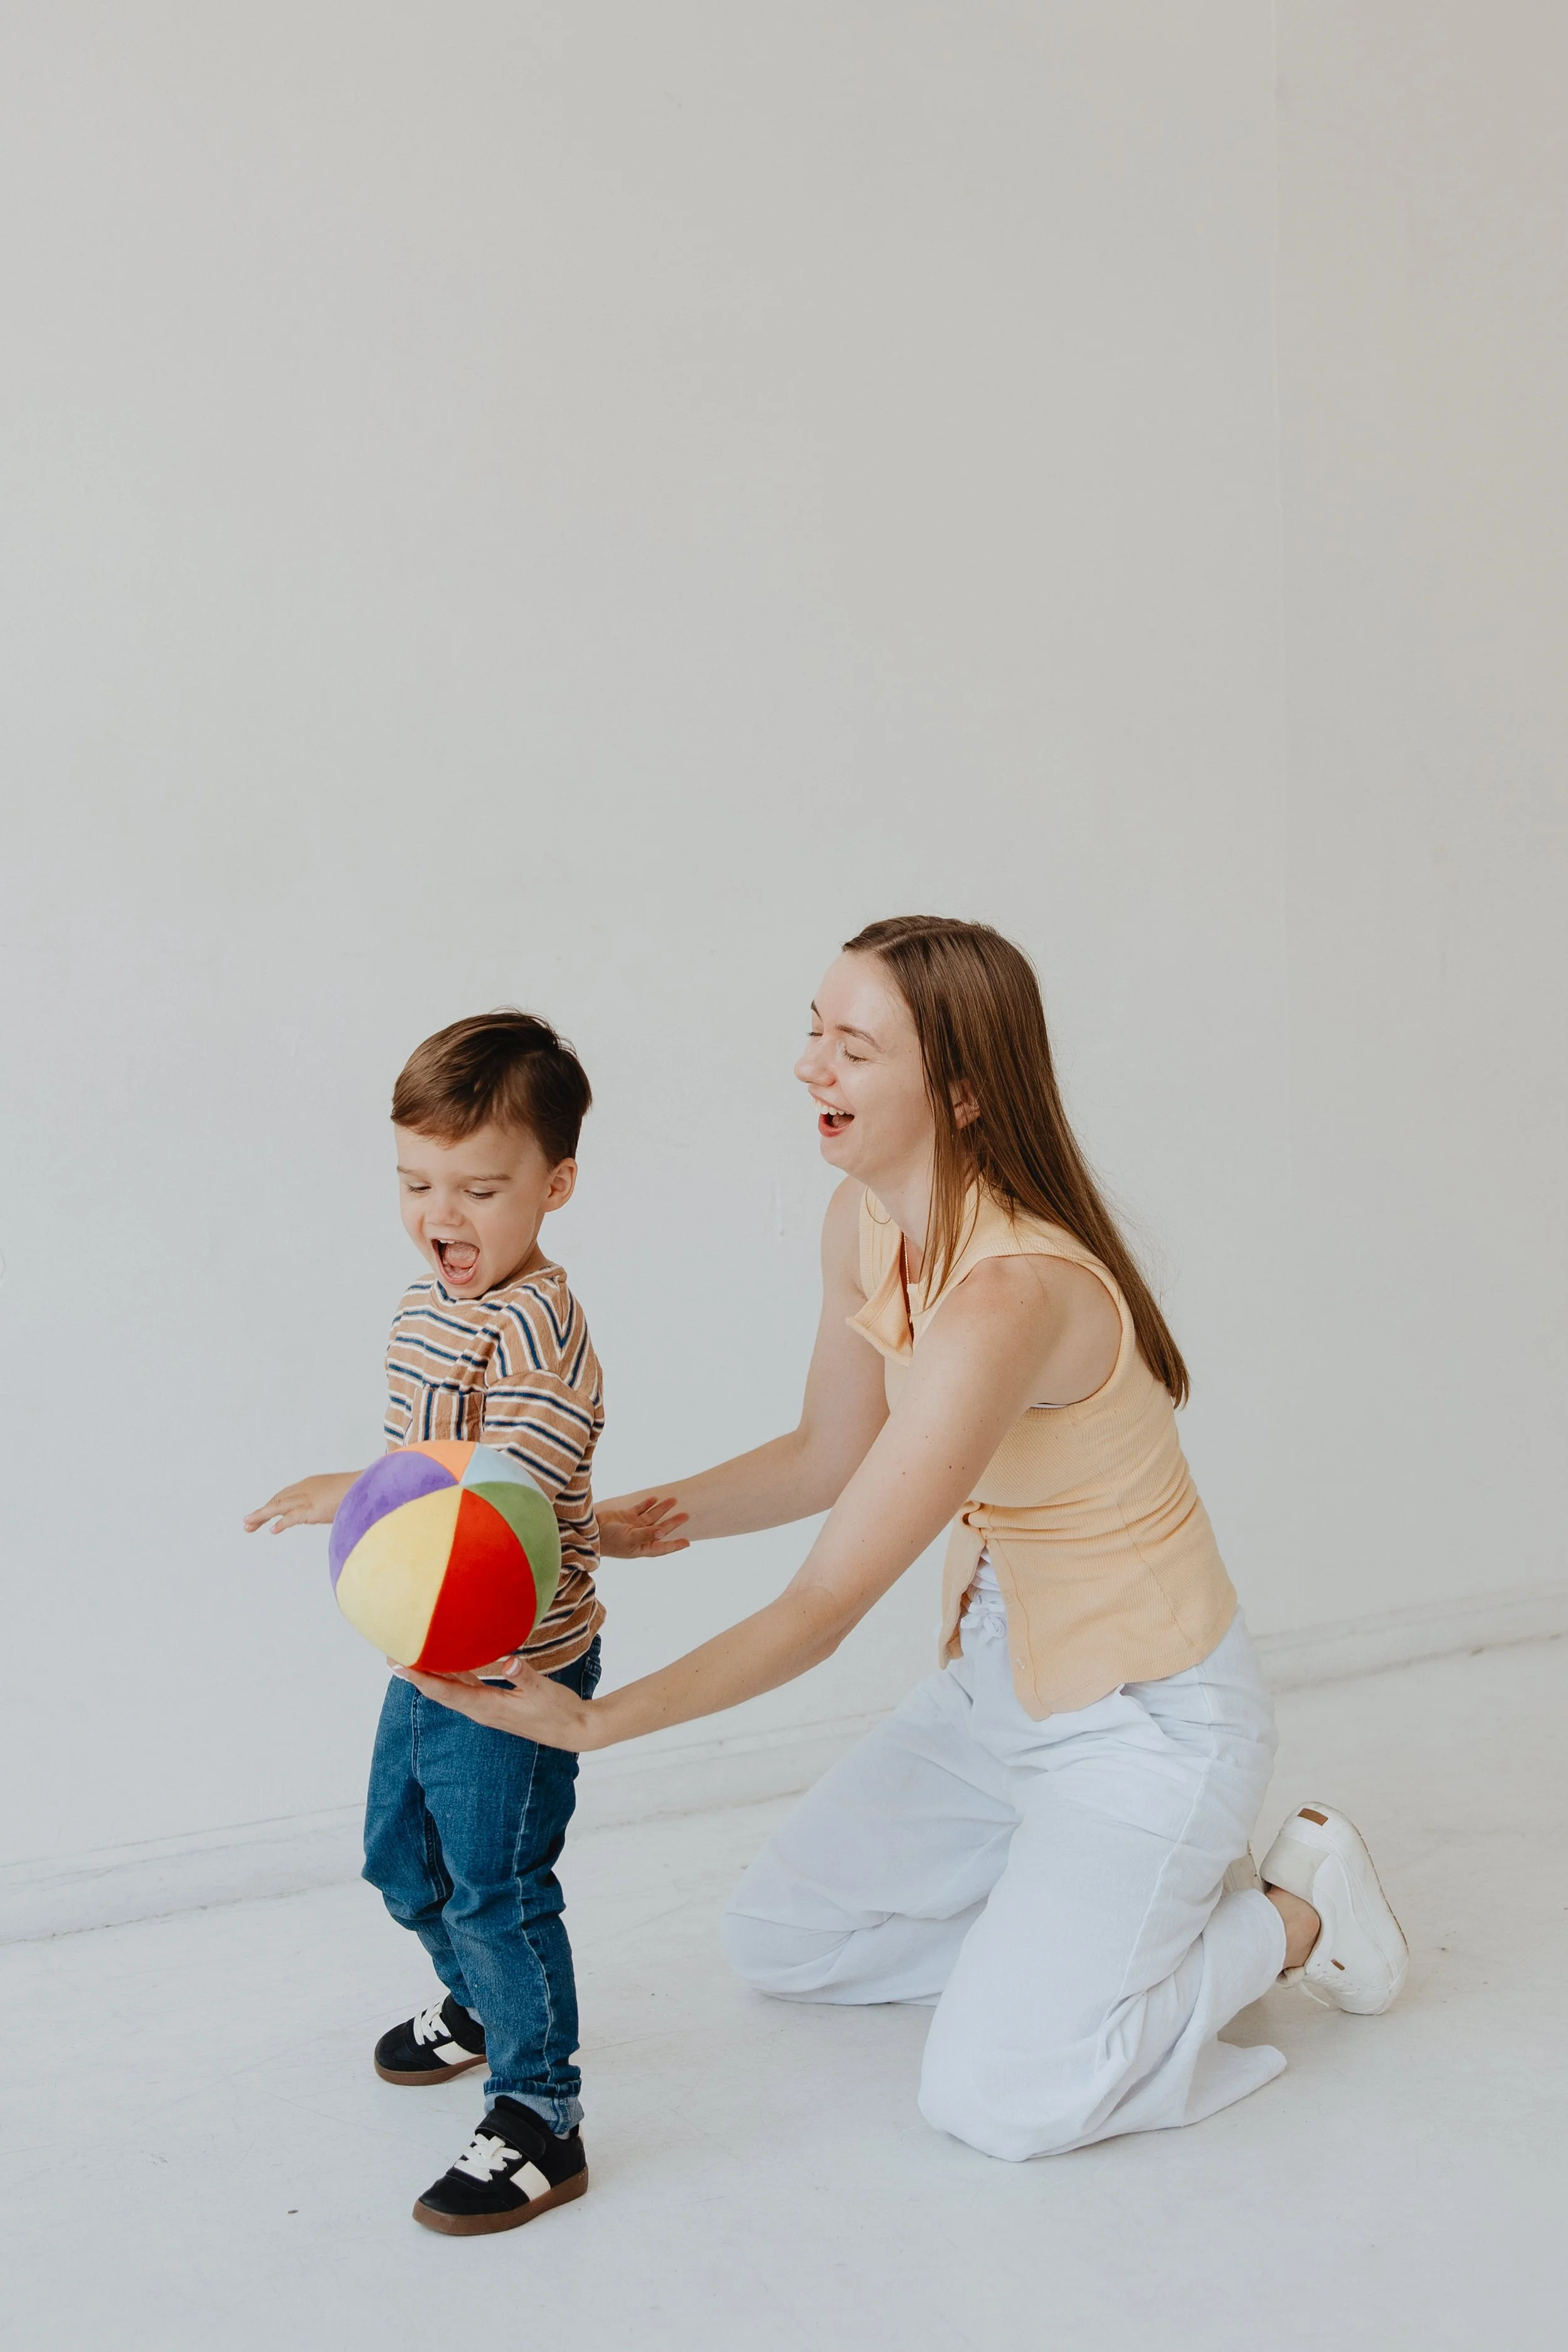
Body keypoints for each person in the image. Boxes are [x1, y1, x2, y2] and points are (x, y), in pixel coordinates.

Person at [403, 920, 1409, 2163]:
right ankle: (1094, 1931)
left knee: (1000, 2096)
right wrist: (581, 1529)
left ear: (963, 1091)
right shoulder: (865, 1222)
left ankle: (1290, 1916)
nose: (809, 1066)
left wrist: (598, 1722)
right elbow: (823, 1457)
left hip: (1144, 1723)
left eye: (853, 1047)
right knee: (781, 1939)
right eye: (812, 1031)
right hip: (995, 1683)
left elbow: (823, 1604)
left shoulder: (1010, 1297)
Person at [245, 1010, 670, 2235]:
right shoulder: (423, 1306)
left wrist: (352, 1489)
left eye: (480, 1189)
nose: (443, 1214)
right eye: (415, 1182)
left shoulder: (541, 1324)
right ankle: (483, 2002)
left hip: (519, 1665)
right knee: (398, 1857)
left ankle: (541, 2112)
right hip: (431, 1646)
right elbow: (488, 1481)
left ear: (554, 1186)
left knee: (497, 1884)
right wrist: (596, 1520)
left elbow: (506, 1493)